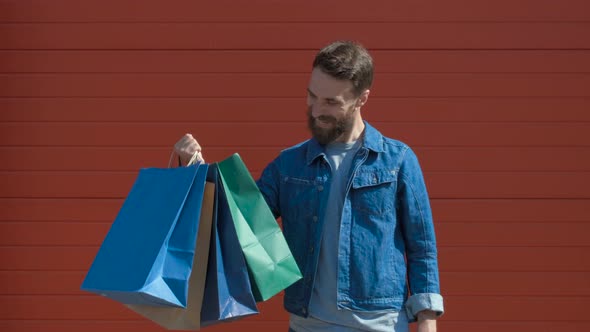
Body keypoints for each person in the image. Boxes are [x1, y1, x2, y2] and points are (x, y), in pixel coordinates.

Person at [174, 41, 444, 332]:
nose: (316, 110)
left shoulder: (398, 160)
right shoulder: (290, 164)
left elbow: (422, 248)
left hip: (380, 324)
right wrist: (195, 167)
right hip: (307, 325)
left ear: (361, 99)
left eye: (330, 102)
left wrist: (427, 321)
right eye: (312, 96)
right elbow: (239, 217)